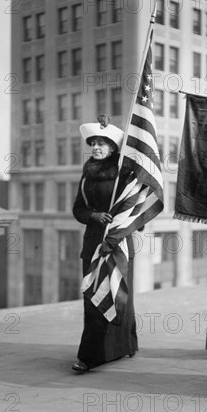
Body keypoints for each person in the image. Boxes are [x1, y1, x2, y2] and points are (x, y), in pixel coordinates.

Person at [71, 115, 138, 373]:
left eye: (102, 143)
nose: (96, 148)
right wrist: (93, 216)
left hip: (116, 243)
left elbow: (133, 208)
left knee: (117, 295)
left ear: (113, 148)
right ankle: (93, 354)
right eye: (94, 143)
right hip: (92, 244)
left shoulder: (124, 175)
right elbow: (77, 209)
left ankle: (120, 346)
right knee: (93, 296)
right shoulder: (87, 176)